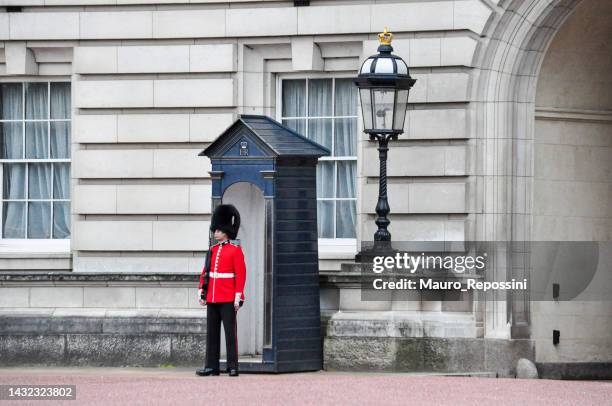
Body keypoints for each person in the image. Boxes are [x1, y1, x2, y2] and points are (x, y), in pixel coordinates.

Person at [196, 204, 246, 377]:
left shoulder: (235, 250)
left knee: (230, 333)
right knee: (212, 333)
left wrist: (238, 295)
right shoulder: (212, 250)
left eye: (218, 230)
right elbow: (206, 272)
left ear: (226, 231)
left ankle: (233, 366)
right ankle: (212, 366)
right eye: (214, 230)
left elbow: (240, 274)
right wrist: (202, 291)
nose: (215, 233)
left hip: (228, 297)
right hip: (213, 297)